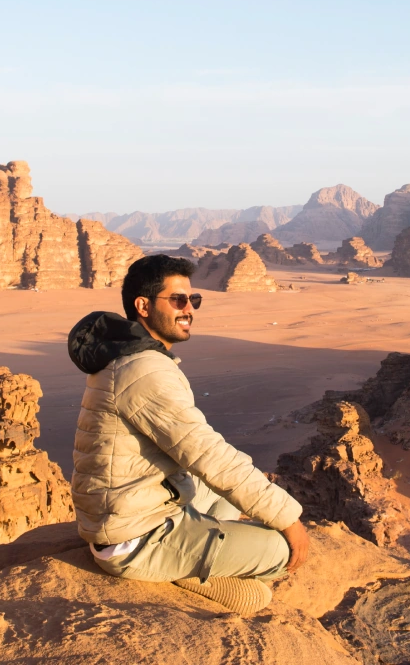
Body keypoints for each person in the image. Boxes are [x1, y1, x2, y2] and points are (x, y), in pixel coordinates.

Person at [67, 254, 309, 614]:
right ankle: (180, 568)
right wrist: (289, 520)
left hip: (136, 508)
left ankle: (194, 555)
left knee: (221, 492)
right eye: (178, 300)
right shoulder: (144, 371)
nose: (189, 309)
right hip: (134, 537)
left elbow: (205, 459)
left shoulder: (135, 360)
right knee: (280, 550)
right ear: (143, 306)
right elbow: (207, 454)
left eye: (193, 300)